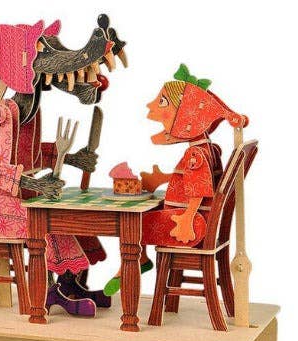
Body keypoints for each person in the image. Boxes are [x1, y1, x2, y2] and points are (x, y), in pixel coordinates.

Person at [104, 64, 248, 296]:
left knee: (128, 225)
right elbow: (195, 180)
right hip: (191, 219)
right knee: (140, 218)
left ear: (186, 115)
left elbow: (199, 190)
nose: (152, 106)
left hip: (189, 224)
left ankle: (131, 266)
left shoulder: (195, 155)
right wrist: (162, 179)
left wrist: (187, 218)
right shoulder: (208, 148)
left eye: (163, 102)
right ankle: (141, 259)